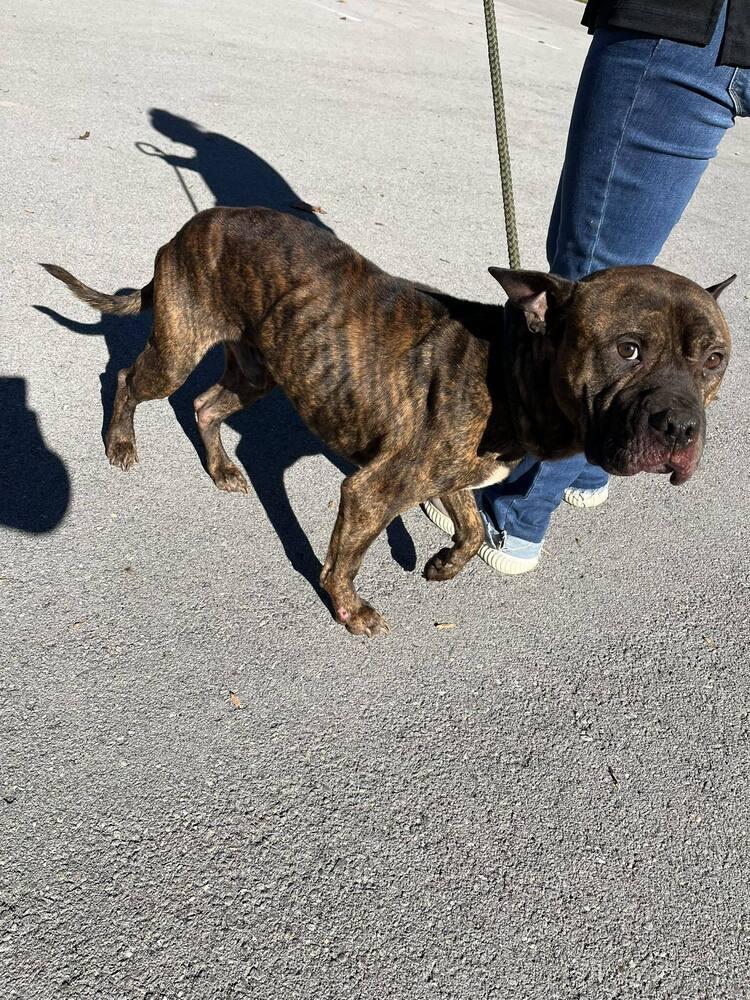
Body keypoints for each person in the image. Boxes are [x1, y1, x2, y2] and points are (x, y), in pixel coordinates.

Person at [426, 0, 750, 574]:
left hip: (688, 27)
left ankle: (516, 516)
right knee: (620, 299)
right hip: (721, 37)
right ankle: (602, 459)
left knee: (591, 282)